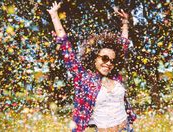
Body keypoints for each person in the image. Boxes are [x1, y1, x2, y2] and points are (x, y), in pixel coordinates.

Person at [47, 1, 136, 132]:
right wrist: (54, 15)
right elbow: (66, 47)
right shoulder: (84, 77)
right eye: (105, 58)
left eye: (112, 60)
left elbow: (123, 47)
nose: (108, 63)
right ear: (95, 58)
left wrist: (125, 23)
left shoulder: (115, 76)